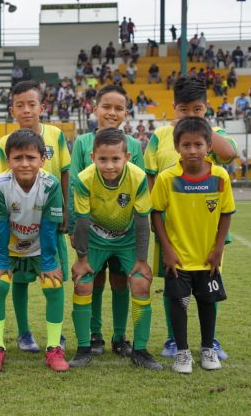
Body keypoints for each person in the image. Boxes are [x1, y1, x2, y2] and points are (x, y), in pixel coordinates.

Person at [144, 77, 236, 361]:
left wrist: (205, 127)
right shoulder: (160, 136)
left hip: (206, 228)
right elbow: (150, 177)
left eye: (197, 110)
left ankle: (212, 340)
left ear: (206, 108)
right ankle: (174, 339)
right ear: (174, 107)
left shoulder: (214, 133)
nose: (190, 115)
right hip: (171, 228)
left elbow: (229, 154)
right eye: (184, 110)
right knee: (174, 283)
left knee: (210, 282)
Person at [69, 128, 161, 371]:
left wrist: (141, 260)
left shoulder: (139, 177)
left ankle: (139, 349)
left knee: (140, 282)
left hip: (127, 239)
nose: (109, 165)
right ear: (93, 157)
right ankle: (83, 348)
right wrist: (82, 258)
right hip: (96, 239)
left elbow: (143, 220)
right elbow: (81, 221)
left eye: (115, 159)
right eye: (103, 159)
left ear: (127, 157)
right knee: (83, 281)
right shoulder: (84, 179)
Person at [68, 85, 145, 359]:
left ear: (126, 112)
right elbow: (74, 185)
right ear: (95, 108)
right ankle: (94, 333)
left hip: (124, 230)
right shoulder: (81, 143)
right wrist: (72, 228)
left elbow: (139, 190)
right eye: (106, 107)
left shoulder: (134, 146)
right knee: (94, 278)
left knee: (121, 281)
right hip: (92, 229)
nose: (112, 113)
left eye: (118, 108)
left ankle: (120, 336)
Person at [0, 129, 68, 372]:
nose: (24, 163)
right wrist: (1, 260)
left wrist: (49, 261)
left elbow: (50, 226)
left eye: (31, 157)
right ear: (8, 160)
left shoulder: (50, 184)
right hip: (8, 247)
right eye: (18, 158)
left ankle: (53, 348)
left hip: (41, 247)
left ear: (42, 159)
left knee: (53, 285)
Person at [0, 81, 70, 353]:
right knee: (20, 281)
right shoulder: (4, 142)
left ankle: (56, 337)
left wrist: (65, 209)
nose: (26, 110)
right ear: (12, 109)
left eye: (31, 104)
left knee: (53, 276)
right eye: (19, 105)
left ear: (42, 107)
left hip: (49, 218)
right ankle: (24, 332)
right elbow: (2, 184)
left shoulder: (56, 135)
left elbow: (64, 172)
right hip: (18, 224)